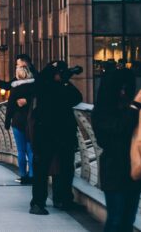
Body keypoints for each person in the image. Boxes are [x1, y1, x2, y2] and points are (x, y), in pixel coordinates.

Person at [94, 68, 141, 232]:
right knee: (115, 219)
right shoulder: (102, 111)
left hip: (133, 169)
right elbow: (118, 129)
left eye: (125, 88)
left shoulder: (129, 106)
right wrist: (135, 106)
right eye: (120, 88)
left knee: (128, 220)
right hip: (114, 170)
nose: (123, 92)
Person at [28, 60, 84, 215]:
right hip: (48, 134)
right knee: (43, 169)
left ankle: (61, 199)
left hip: (59, 134)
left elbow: (77, 97)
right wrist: (64, 83)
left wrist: (64, 81)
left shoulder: (54, 85)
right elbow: (73, 97)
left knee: (64, 168)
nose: (62, 75)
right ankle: (39, 203)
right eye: (60, 73)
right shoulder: (43, 86)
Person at [0, 54, 37, 184]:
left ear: (24, 65)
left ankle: (23, 175)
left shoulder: (16, 86)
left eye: (18, 65)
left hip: (18, 121)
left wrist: (7, 123)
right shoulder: (36, 82)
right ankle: (33, 175)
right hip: (32, 120)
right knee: (30, 150)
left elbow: (10, 105)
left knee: (20, 150)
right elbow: (39, 96)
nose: (16, 67)